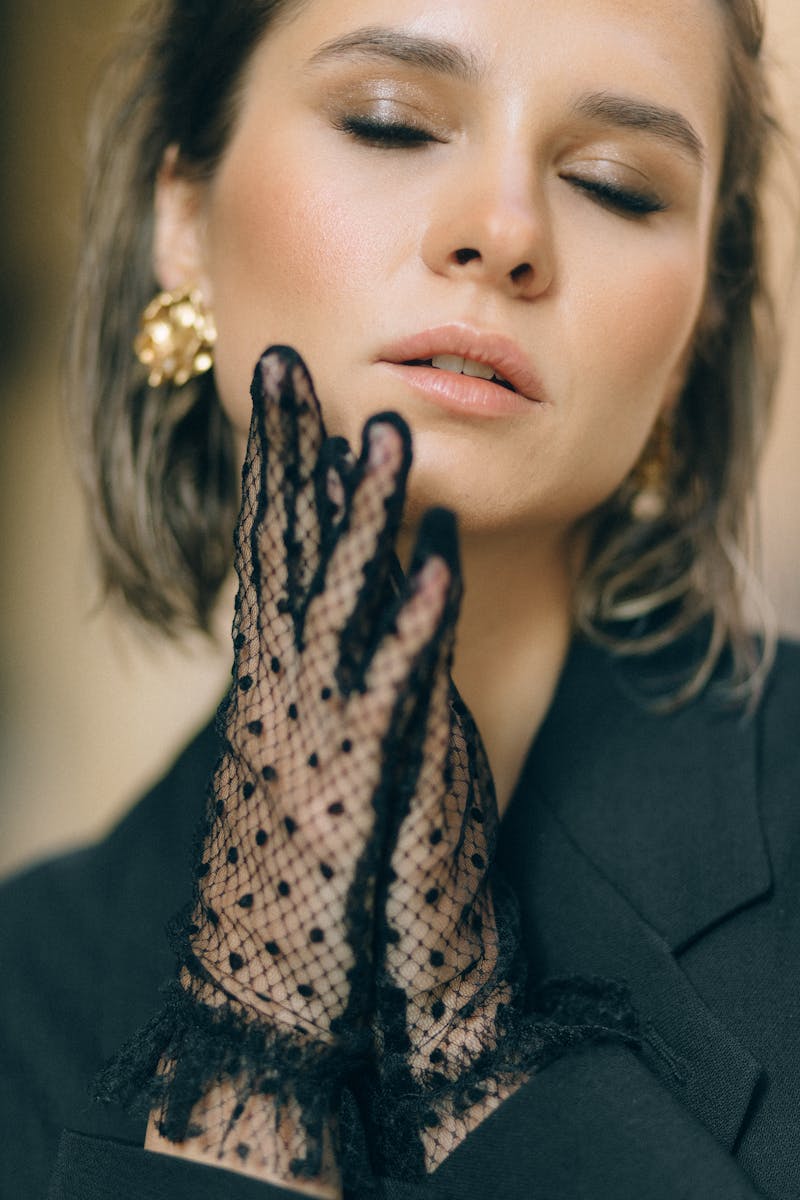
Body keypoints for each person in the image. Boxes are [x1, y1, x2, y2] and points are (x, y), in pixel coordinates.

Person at [1, 0, 798, 1197]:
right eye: (388, 123)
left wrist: (481, 1070)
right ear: (183, 219)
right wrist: (244, 1070)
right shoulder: (28, 978)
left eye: (614, 183)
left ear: (696, 329)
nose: (503, 230)